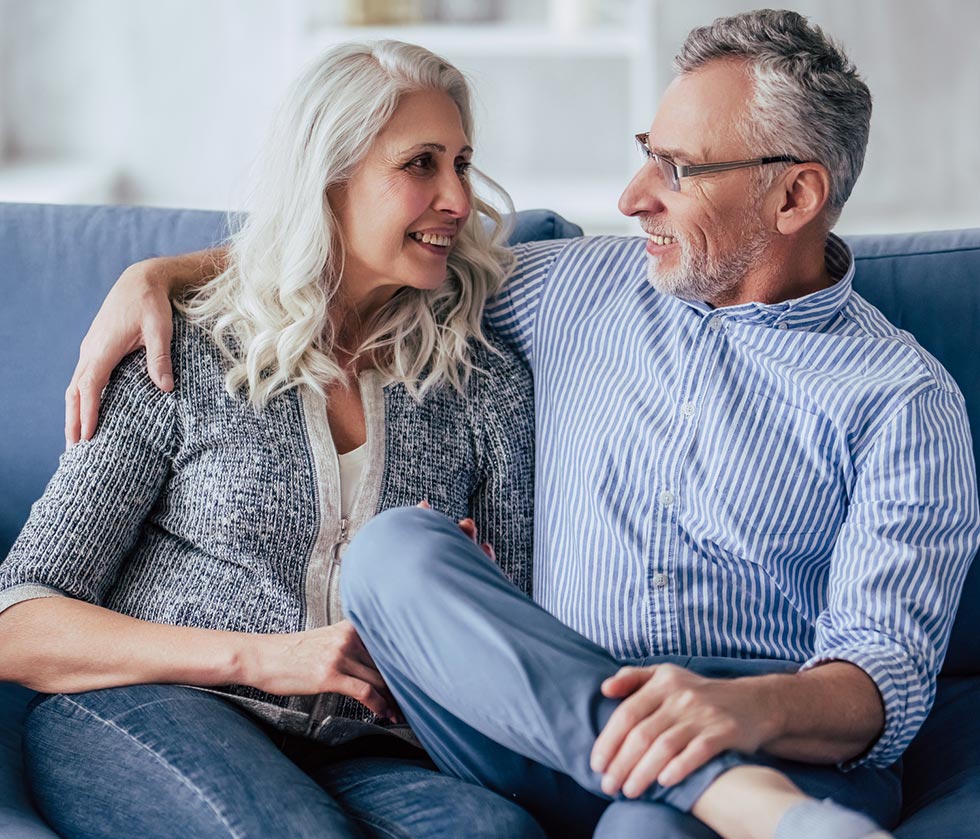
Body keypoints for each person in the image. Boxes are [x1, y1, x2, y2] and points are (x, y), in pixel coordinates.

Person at [57, 10, 980, 839]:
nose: (631, 197)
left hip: (772, 739)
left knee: (646, 834)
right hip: (533, 719)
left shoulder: (902, 400)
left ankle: (722, 786)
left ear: (794, 197)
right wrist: (162, 272)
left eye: (678, 169)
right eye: (644, 151)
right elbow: (354, 247)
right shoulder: (574, 286)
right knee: (396, 548)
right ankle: (717, 789)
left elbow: (883, 682)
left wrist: (742, 710)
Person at [0, 40, 545, 839]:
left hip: (367, 748)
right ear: (329, 177)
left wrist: (464, 609)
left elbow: (510, 635)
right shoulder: (183, 347)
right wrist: (263, 657)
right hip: (150, 708)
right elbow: (19, 620)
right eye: (421, 164)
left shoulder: (479, 380)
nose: (458, 198)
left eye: (462, 163)